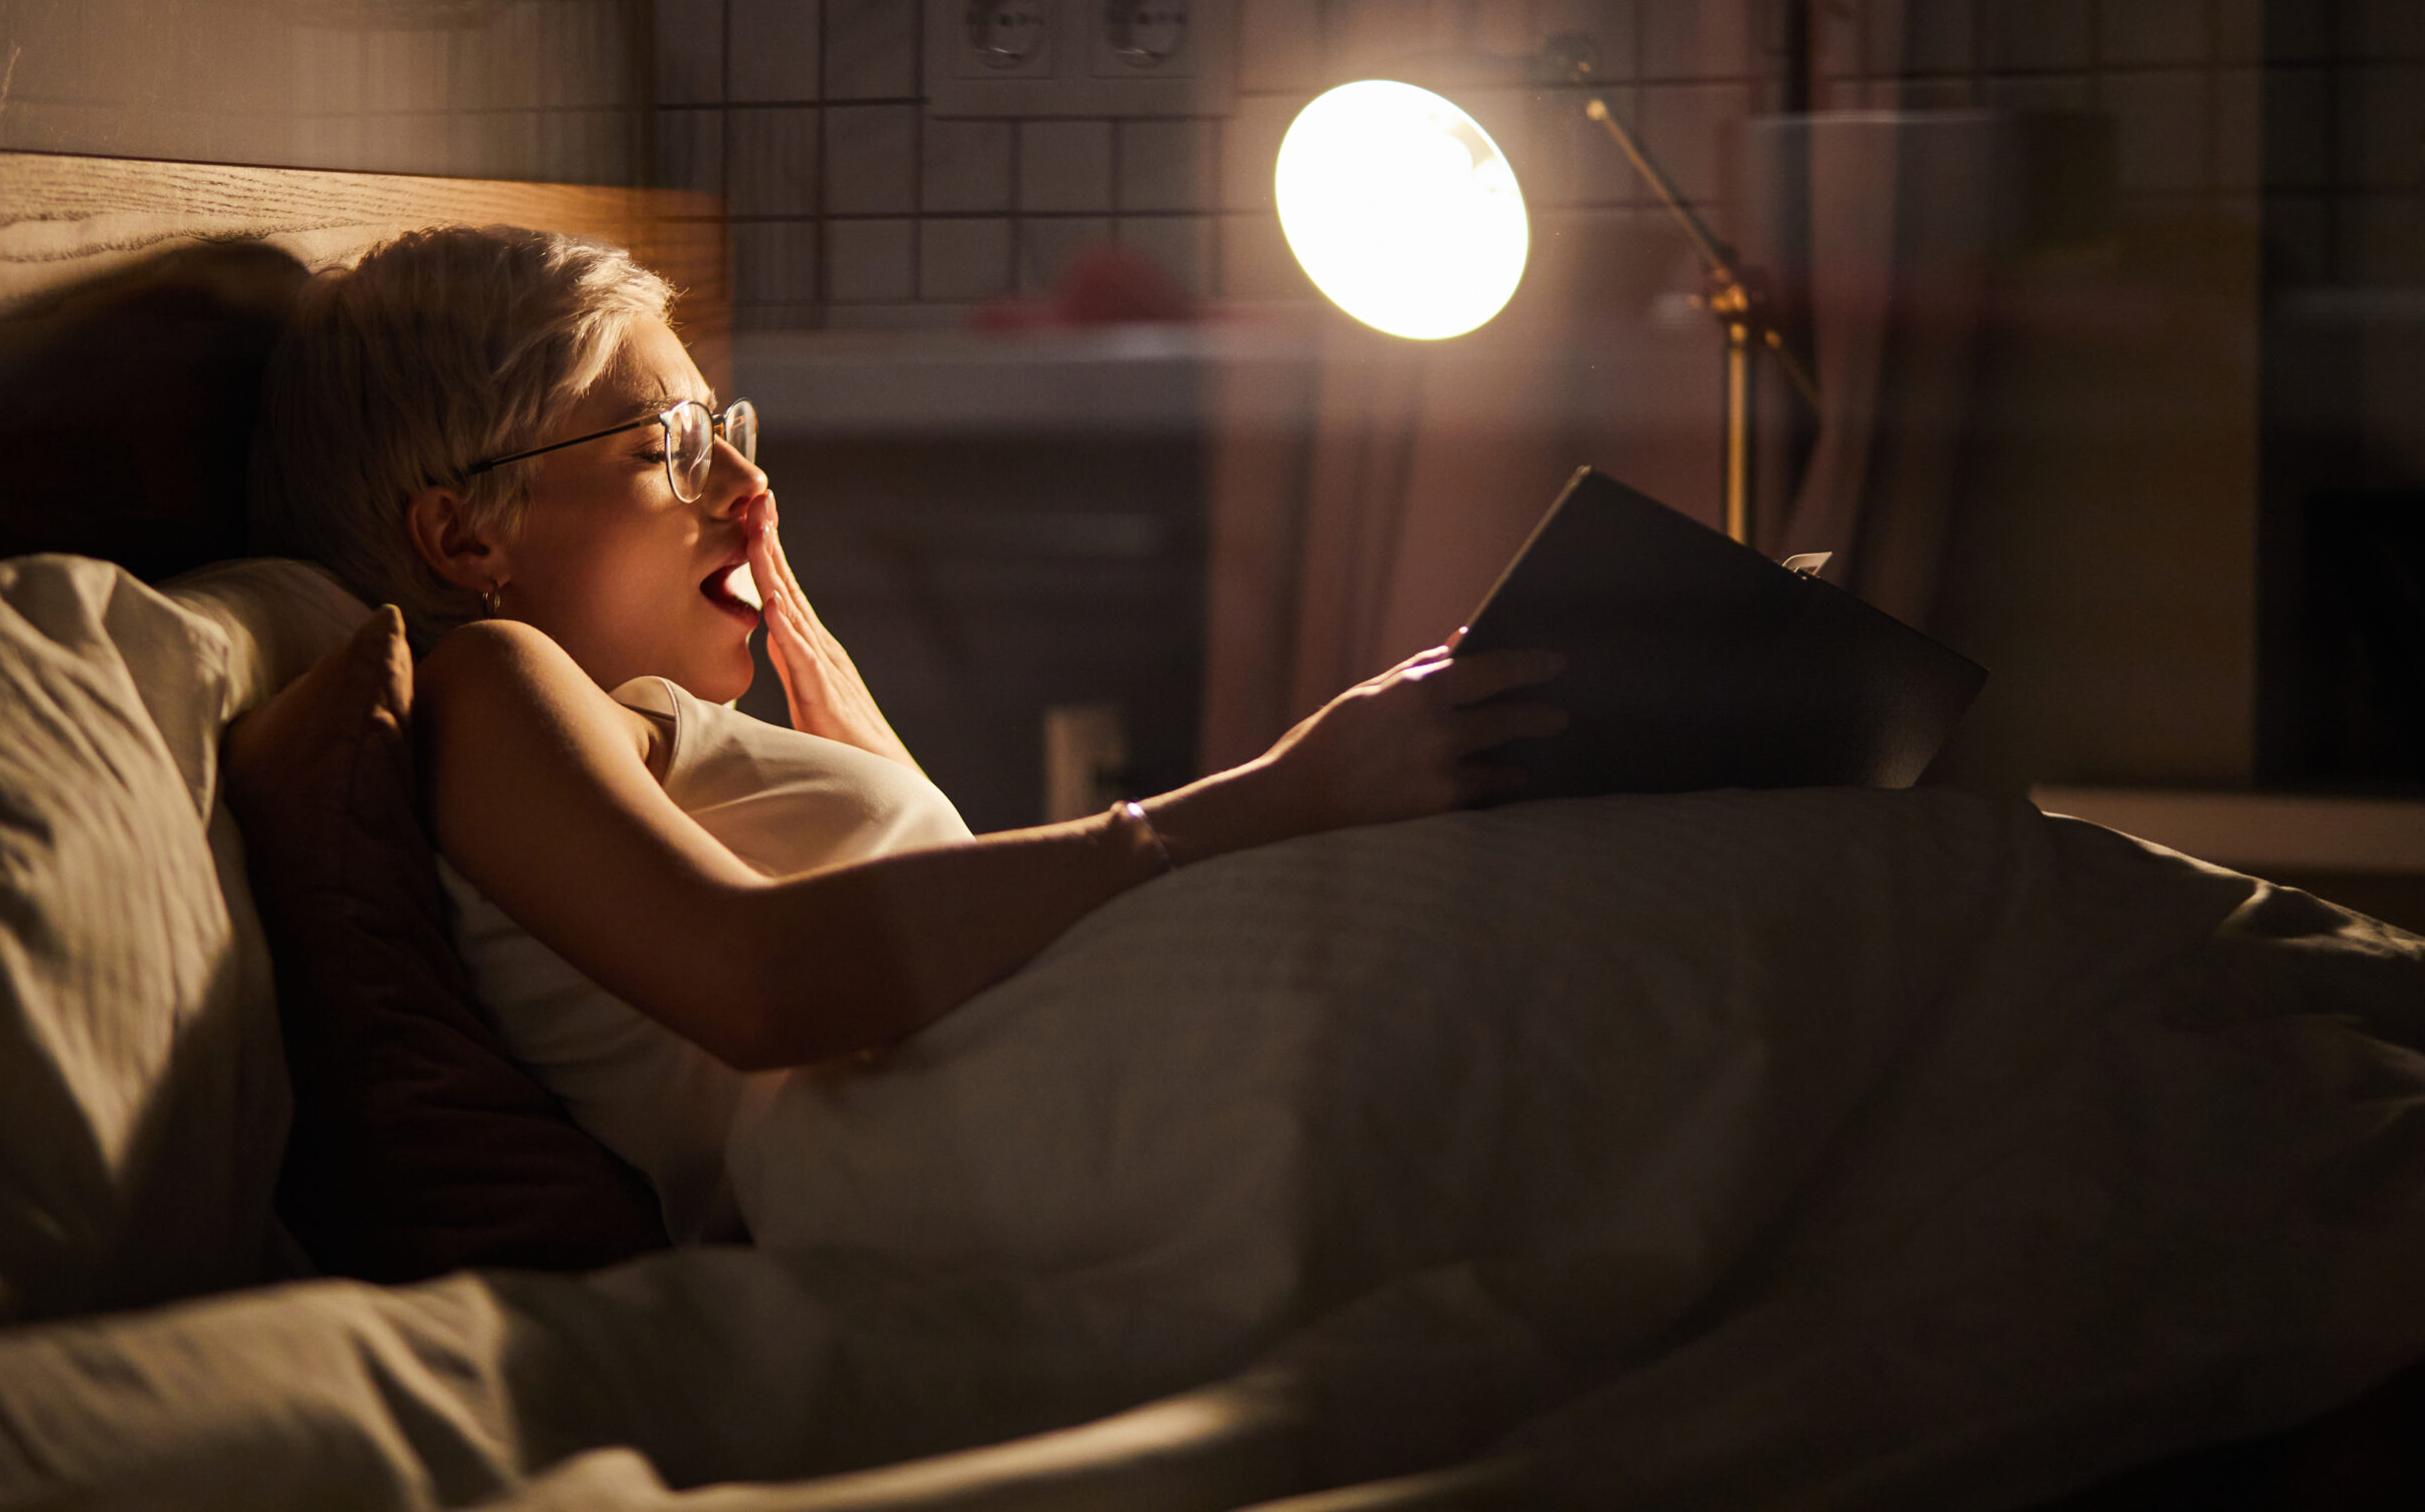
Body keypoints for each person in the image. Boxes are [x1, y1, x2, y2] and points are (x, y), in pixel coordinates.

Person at [249, 223, 1570, 1235]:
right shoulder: (489, 684)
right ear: (466, 531)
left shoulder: (655, 730)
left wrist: (833, 704)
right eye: (674, 445)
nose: (750, 485)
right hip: (957, 1177)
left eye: (731, 431)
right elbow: (760, 985)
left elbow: (911, 926)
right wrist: (1283, 793)